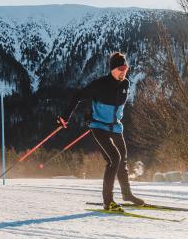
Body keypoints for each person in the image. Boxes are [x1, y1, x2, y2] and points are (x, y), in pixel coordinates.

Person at [61, 51, 145, 211]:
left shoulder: (125, 84)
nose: (123, 71)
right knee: (114, 159)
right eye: (120, 68)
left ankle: (127, 194)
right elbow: (79, 96)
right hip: (99, 127)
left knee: (123, 160)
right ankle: (108, 201)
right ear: (112, 69)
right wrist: (66, 116)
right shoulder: (100, 84)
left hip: (116, 127)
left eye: (125, 68)